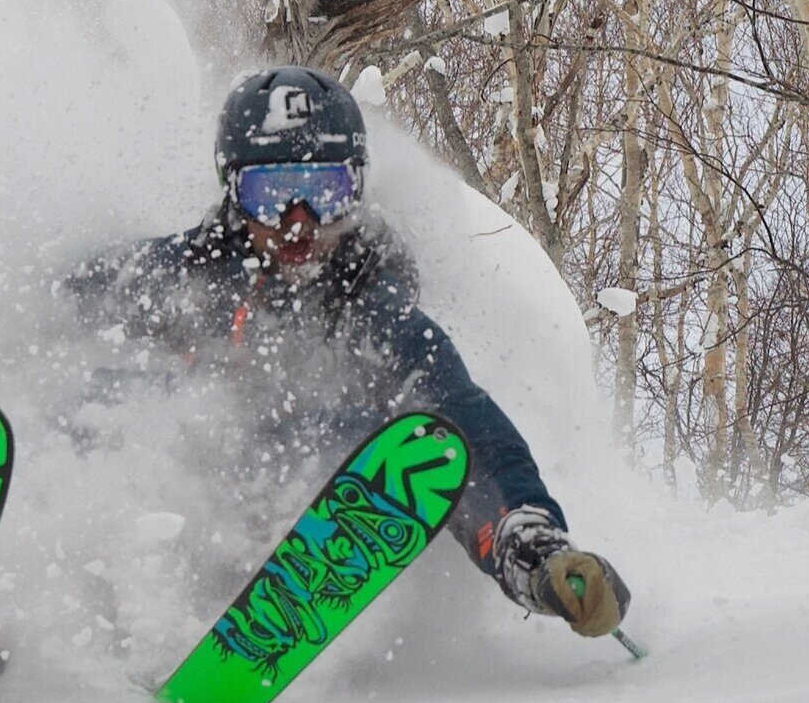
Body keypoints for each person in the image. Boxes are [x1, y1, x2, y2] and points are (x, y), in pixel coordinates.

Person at [63, 64, 630, 638]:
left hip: (287, 507)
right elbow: (54, 313)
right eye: (271, 195)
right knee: (116, 403)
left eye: (324, 194)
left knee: (403, 440)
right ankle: (51, 603)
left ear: (355, 193)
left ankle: (295, 585)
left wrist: (529, 544)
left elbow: (462, 417)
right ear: (232, 193)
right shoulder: (187, 275)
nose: (298, 223)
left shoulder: (370, 303)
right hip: (177, 510)